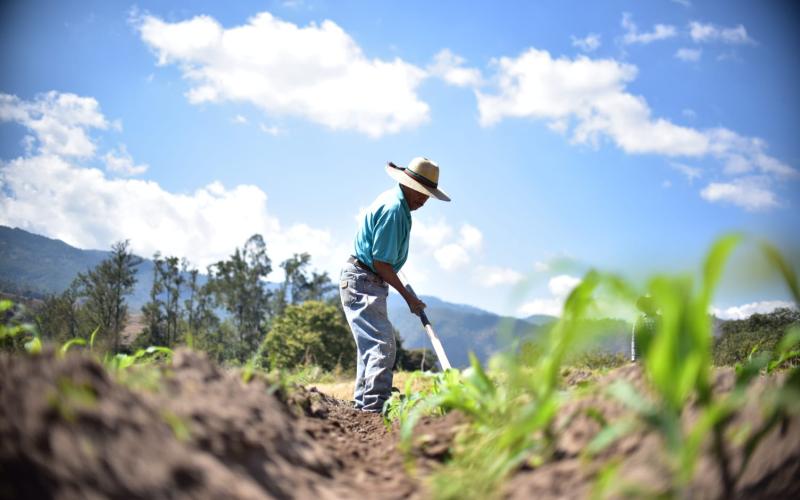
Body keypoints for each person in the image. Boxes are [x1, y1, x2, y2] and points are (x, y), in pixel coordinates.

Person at [339, 157, 451, 412]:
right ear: (408, 184)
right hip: (363, 279)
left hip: (366, 279)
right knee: (381, 344)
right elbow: (380, 262)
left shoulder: (399, 205)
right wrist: (408, 297)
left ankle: (364, 405)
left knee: (371, 346)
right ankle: (374, 407)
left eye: (427, 196)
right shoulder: (393, 210)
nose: (424, 201)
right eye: (421, 194)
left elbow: (384, 260)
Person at [631, 295, 659, 362]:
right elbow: (635, 341)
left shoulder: (661, 319)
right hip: (644, 357)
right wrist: (634, 358)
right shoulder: (640, 321)